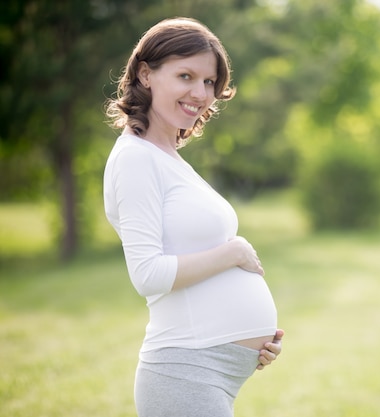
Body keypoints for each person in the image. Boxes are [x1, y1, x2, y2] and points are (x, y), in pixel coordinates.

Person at [103, 17, 283, 417]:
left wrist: (252, 342)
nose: (200, 93)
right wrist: (233, 252)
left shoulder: (169, 158)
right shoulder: (135, 158)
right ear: (146, 74)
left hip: (207, 370)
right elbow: (147, 274)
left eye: (208, 82)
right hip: (185, 372)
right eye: (186, 76)